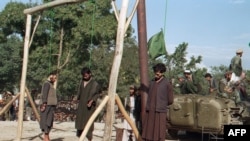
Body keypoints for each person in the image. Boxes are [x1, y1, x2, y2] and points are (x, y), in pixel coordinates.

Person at [142, 63, 174, 141]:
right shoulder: (152, 82)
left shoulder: (167, 83)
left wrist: (162, 104)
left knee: (159, 133)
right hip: (150, 111)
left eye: (159, 71)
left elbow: (170, 100)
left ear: (162, 72)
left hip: (160, 111)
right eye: (155, 71)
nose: (157, 73)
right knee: (149, 132)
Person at [75, 67, 101, 141]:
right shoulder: (81, 82)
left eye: (86, 75)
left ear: (90, 74)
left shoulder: (94, 84)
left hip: (89, 107)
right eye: (83, 75)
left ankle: (89, 139)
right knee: (80, 123)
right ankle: (81, 138)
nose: (84, 77)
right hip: (81, 106)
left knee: (88, 123)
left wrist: (92, 100)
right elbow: (79, 93)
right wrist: (77, 99)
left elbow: (96, 94)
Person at [40, 72, 57, 141]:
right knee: (46, 121)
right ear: (51, 76)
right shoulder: (47, 84)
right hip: (47, 105)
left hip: (51, 105)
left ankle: (47, 136)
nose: (55, 79)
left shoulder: (51, 84)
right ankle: (45, 136)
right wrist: (44, 104)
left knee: (50, 121)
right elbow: (45, 94)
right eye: (55, 78)